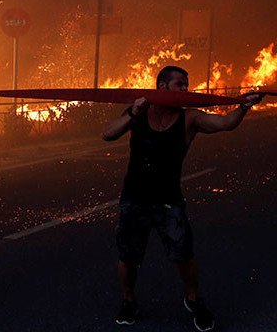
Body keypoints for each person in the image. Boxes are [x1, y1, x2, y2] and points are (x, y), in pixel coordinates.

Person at [103, 65, 264, 331]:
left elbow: (225, 124)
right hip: (135, 198)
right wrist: (133, 112)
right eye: (180, 84)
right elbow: (108, 134)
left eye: (187, 85)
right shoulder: (138, 113)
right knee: (128, 256)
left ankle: (194, 299)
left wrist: (244, 106)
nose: (185, 89)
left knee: (183, 256)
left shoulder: (189, 118)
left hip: (169, 200)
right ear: (162, 87)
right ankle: (129, 300)